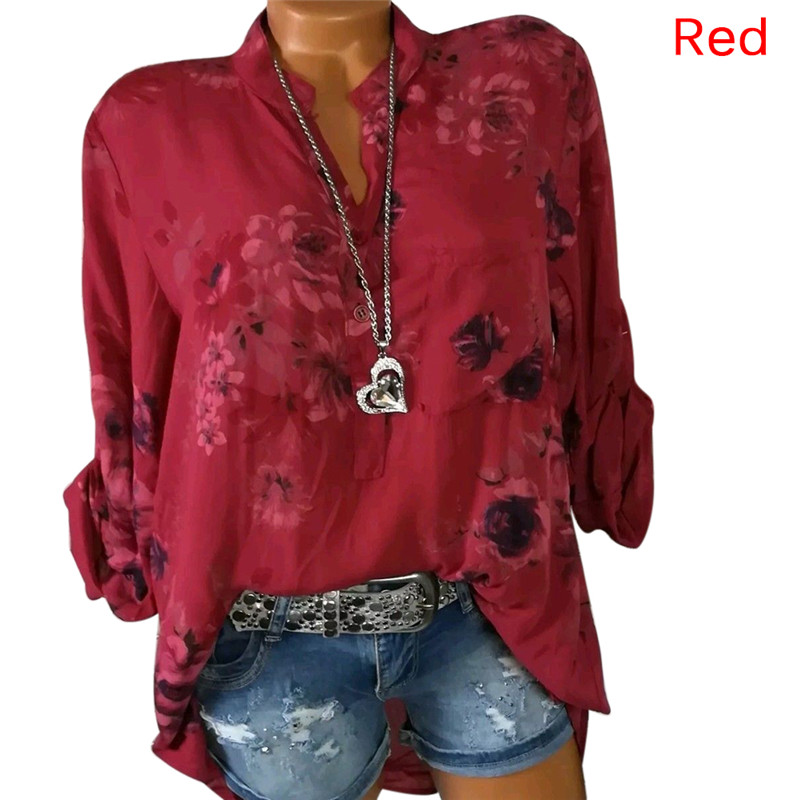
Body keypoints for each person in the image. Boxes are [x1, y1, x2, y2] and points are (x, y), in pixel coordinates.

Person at [63, 2, 654, 799]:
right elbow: (134, 356)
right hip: (271, 633)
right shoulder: (150, 120)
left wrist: (604, 467)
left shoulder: (527, 76)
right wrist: (132, 545)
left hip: (489, 603)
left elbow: (580, 293)